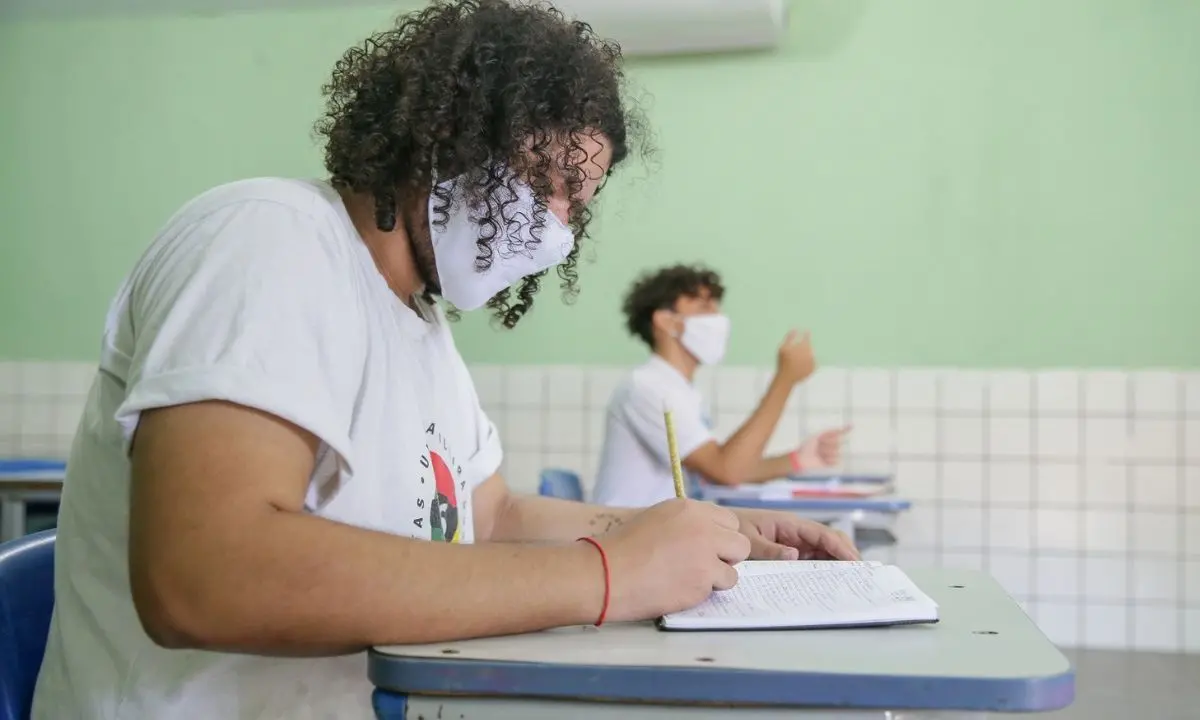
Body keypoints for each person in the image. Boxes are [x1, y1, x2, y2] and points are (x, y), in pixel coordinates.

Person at [31, 3, 856, 719]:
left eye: (580, 204)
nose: (560, 225)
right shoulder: (268, 238)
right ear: (455, 130)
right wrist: (609, 575)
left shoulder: (420, 325)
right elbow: (204, 573)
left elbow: (490, 517)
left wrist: (706, 535)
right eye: (548, 180)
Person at [592, 264, 851, 508]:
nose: (717, 318)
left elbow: (719, 470)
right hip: (630, 544)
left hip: (659, 537)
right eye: (704, 307)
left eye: (717, 306)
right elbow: (727, 470)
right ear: (665, 321)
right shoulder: (647, 389)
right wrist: (785, 379)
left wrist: (795, 460)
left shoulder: (681, 390)